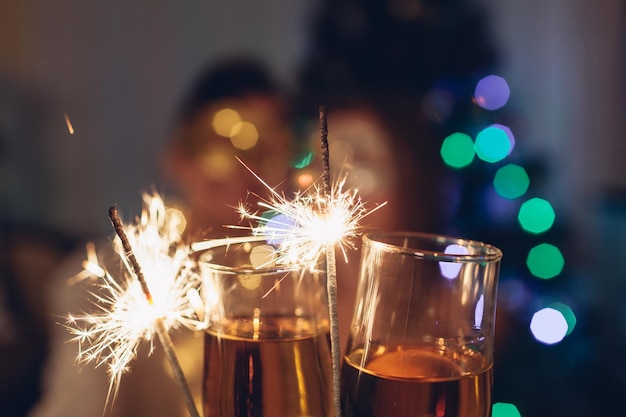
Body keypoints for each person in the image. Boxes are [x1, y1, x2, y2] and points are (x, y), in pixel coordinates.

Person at [29, 58, 295, 417]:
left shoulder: (298, 283)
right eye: (222, 143)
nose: (246, 169)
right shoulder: (106, 281)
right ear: (178, 156)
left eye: (269, 147)